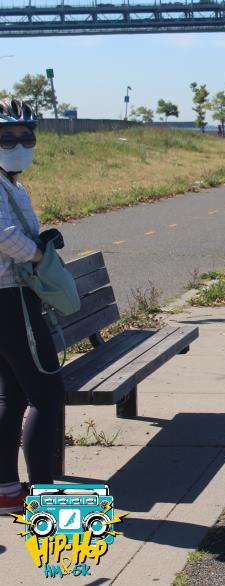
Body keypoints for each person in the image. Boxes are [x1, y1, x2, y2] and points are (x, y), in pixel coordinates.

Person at [0, 99, 66, 511]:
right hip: (10, 301)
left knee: (12, 395)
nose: (19, 145)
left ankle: (7, 490)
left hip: (11, 300)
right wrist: (40, 254)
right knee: (47, 395)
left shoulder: (11, 183)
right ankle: (46, 501)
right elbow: (4, 236)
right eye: (7, 138)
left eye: (27, 137)